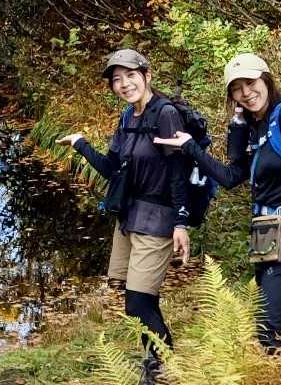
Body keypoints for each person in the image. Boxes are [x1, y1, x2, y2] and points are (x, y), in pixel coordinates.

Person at [155, 53, 281, 349]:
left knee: (271, 329)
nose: (246, 93)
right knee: (269, 320)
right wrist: (191, 147)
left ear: (266, 80)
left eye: (250, 82)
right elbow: (231, 177)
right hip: (266, 231)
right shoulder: (257, 126)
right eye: (237, 88)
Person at [56, 49, 190, 383]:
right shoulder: (128, 117)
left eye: (130, 75)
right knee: (137, 299)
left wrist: (181, 222)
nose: (124, 84)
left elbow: (178, 172)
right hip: (130, 217)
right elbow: (112, 170)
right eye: (117, 79)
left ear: (147, 75)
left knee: (137, 303)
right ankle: (156, 362)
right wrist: (81, 144)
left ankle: (164, 367)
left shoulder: (166, 114)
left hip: (157, 220)